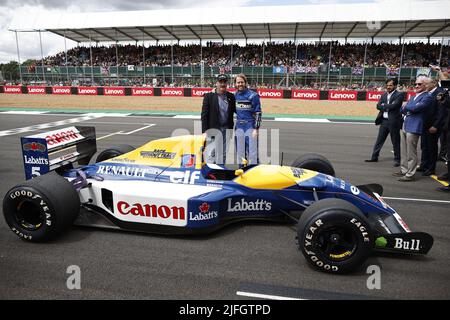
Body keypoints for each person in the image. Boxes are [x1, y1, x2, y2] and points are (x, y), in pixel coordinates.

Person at [393, 76, 433, 182]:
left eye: (419, 84)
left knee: (411, 152)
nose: (416, 86)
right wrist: (407, 107)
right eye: (415, 84)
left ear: (425, 85)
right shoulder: (414, 96)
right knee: (404, 151)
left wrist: (407, 106)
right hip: (406, 124)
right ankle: (404, 169)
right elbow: (402, 109)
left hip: (415, 126)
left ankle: (410, 174)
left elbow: (416, 108)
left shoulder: (427, 96)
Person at [365, 78, 404, 166]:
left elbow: (395, 106)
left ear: (395, 85)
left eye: (390, 85)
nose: (388, 87)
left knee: (395, 141)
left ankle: (397, 159)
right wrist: (387, 106)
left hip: (394, 122)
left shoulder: (399, 95)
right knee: (379, 140)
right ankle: (374, 157)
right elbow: (378, 106)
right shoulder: (383, 95)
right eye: (387, 85)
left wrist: (384, 105)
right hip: (384, 121)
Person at [201, 74, 236, 164]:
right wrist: (204, 131)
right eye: (221, 82)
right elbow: (204, 115)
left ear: (227, 83)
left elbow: (235, 110)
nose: (223, 84)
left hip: (226, 129)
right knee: (211, 153)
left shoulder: (231, 96)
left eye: (224, 82)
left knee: (223, 154)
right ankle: (210, 173)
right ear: (216, 83)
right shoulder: (209, 96)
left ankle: (220, 171)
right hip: (213, 129)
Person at [418, 77, 446, 176]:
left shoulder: (439, 92)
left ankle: (431, 168)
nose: (425, 85)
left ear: (434, 83)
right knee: (424, 146)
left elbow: (441, 112)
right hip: (425, 124)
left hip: (433, 126)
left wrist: (435, 125)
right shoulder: (428, 93)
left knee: (431, 147)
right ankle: (424, 165)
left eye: (427, 84)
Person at [234, 74, 262, 166]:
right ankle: (242, 172)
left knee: (253, 153)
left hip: (250, 126)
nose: (240, 84)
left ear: (245, 83)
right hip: (238, 126)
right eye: (238, 82)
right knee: (240, 153)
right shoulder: (234, 96)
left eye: (242, 82)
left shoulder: (253, 96)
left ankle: (255, 173)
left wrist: (256, 129)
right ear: (235, 84)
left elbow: (258, 112)